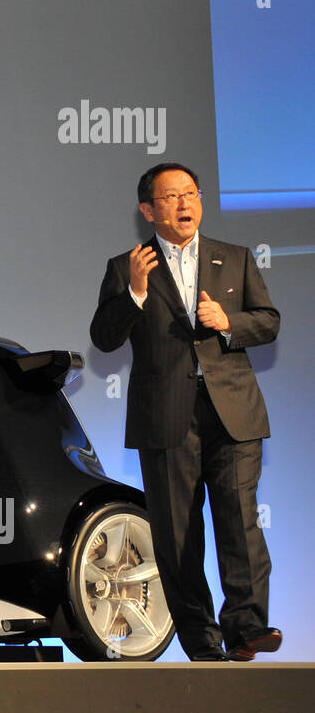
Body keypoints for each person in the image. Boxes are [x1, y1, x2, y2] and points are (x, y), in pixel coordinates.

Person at [90, 162, 281, 661]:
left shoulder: (234, 259)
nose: (184, 204)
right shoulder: (127, 266)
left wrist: (229, 322)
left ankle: (247, 626)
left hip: (233, 412)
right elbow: (104, 338)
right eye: (171, 196)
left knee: (240, 521)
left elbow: (268, 321)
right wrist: (134, 291)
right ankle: (203, 641)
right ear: (148, 210)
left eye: (191, 193)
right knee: (177, 537)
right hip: (166, 416)